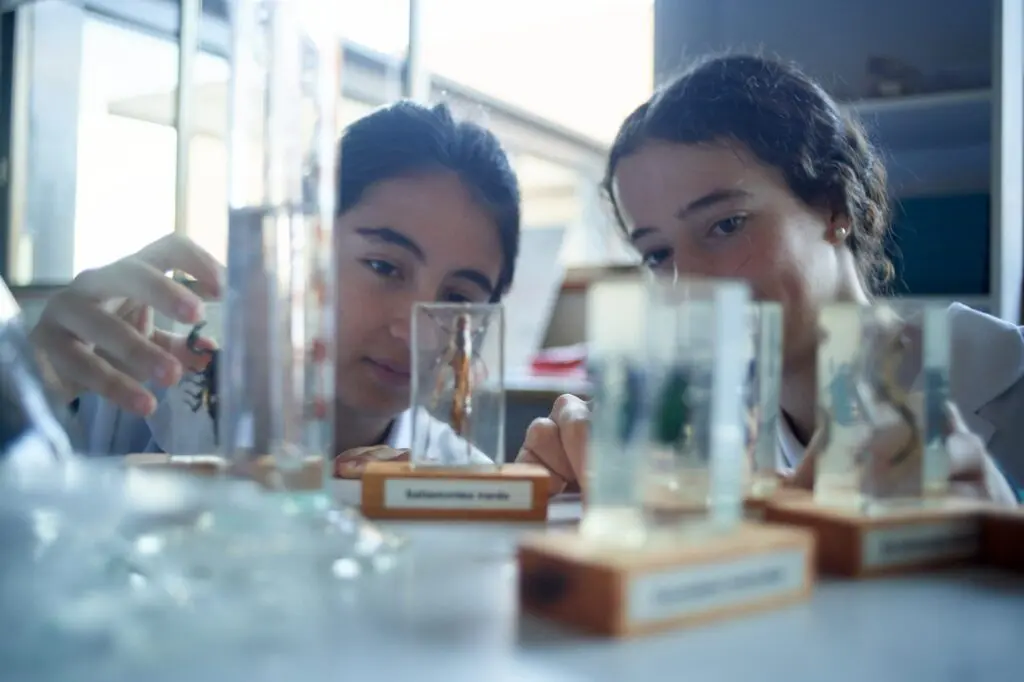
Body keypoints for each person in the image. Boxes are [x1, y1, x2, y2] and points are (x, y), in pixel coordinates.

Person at [517, 54, 1022, 505]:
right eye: (656, 253)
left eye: (726, 225)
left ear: (834, 204)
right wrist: (565, 484)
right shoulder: (711, 448)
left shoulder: (1007, 384)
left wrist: (1005, 540)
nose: (687, 282)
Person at [29, 101, 520, 470]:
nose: (416, 334)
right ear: (300, 245)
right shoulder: (122, 397)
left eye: (457, 299)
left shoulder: (470, 487)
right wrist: (29, 397)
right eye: (384, 267)